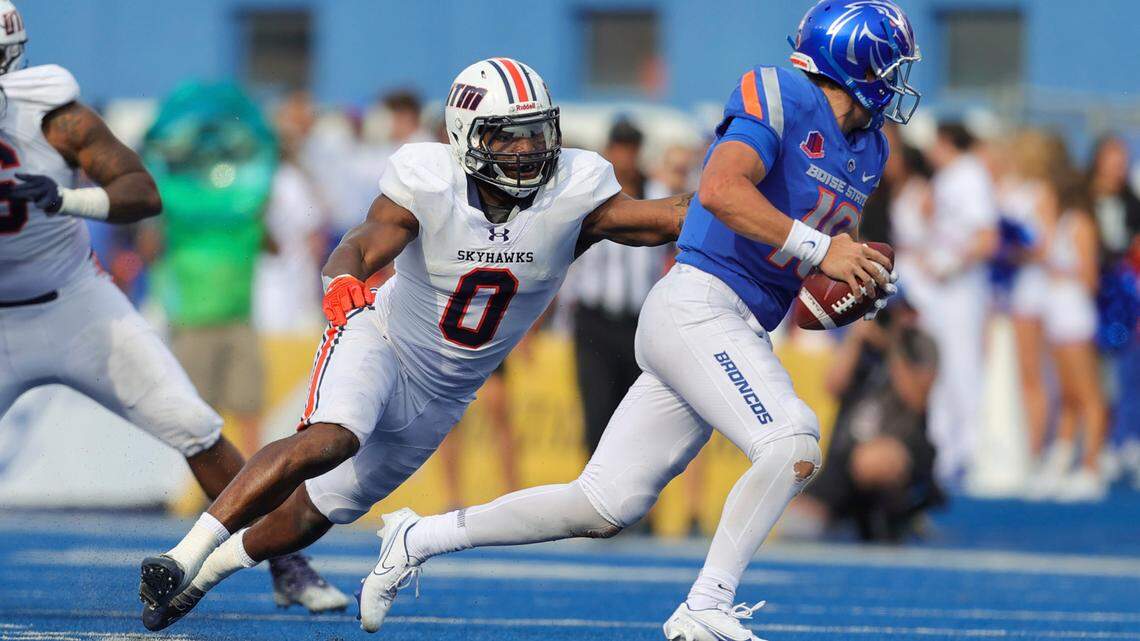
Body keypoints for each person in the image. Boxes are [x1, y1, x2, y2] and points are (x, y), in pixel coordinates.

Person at [364, 4, 918, 640]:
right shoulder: (781, 92)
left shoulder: (871, 147)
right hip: (699, 301)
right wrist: (825, 252)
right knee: (792, 442)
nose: (899, 81)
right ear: (858, 63)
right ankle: (705, 606)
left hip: (739, 319)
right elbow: (719, 190)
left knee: (602, 505)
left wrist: (850, 283)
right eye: (892, 65)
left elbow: (813, 264)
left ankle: (417, 536)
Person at [136, 57, 691, 631]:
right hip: (383, 340)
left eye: (535, 133)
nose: (525, 151)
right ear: (465, 136)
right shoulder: (430, 179)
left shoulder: (575, 192)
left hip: (445, 394)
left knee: (319, 513)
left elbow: (663, 217)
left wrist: (744, 206)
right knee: (331, 440)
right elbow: (363, 240)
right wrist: (343, 283)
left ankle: (198, 580)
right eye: (507, 137)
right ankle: (182, 554)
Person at [0, 0, 345, 616]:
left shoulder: (53, 117)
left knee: (195, 426)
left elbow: (140, 191)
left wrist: (65, 199)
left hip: (77, 307)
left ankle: (288, 563)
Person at [787, 300, 942, 542]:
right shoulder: (858, 348)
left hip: (897, 451)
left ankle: (895, 514)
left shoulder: (919, 345)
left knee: (874, 461)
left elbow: (916, 399)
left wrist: (894, 344)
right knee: (796, 526)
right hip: (845, 456)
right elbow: (833, 386)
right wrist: (855, 338)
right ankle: (854, 513)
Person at [570, 117, 672, 454]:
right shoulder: (589, 195)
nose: (627, 156)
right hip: (594, 321)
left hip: (639, 324)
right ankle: (594, 503)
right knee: (596, 414)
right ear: (610, 150)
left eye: (633, 148)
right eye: (622, 147)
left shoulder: (658, 194)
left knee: (639, 421)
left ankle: (641, 506)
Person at [915, 122, 999, 484]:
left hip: (962, 289)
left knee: (963, 367)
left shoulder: (971, 175)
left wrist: (951, 263)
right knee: (940, 367)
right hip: (940, 288)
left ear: (946, 142)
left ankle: (971, 449)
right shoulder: (948, 177)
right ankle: (945, 449)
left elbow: (986, 239)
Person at [1038, 168, 1109, 501]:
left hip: (1076, 318)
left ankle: (1091, 467)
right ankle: (1062, 461)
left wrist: (1060, 271)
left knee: (1089, 396)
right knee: (1068, 395)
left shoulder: (1080, 224)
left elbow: (1090, 277)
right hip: (1058, 319)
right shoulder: (1061, 224)